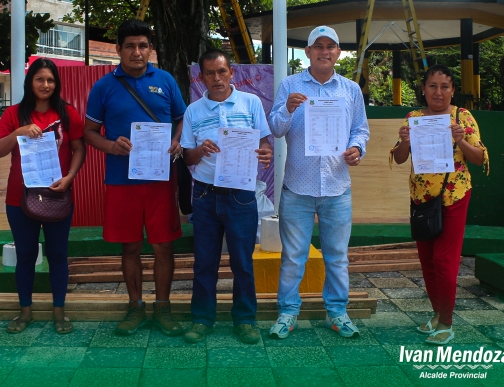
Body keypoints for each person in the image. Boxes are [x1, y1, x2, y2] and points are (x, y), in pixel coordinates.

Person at [84, 19, 186, 336]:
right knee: (129, 248)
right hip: (121, 182)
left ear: (150, 49)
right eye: (130, 46)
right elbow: (89, 133)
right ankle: (135, 307)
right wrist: (111, 146)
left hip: (160, 181)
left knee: (163, 247)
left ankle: (164, 308)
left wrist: (177, 141)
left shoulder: (166, 80)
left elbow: (183, 120)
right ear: (118, 50)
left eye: (143, 45)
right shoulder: (103, 86)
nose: (137, 52)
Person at [268, 26, 369, 339]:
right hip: (297, 187)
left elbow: (360, 130)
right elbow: (275, 128)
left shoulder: (350, 90)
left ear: (338, 52)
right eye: (318, 46)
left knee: (337, 257)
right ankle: (287, 312)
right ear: (308, 52)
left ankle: (337, 312)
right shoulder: (291, 85)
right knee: (292, 258)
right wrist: (287, 108)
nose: (324, 52)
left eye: (331, 46)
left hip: (337, 187)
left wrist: (357, 149)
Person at [390, 64, 488, 345]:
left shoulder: (462, 116)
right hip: (422, 199)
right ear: (423, 89)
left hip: (453, 195)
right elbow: (399, 158)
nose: (438, 92)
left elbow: (480, 158)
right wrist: (405, 142)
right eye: (432, 86)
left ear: (453, 90)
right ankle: (436, 313)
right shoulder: (415, 118)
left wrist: (460, 140)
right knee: (428, 261)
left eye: (445, 86)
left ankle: (446, 322)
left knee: (445, 261)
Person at [180, 49, 272, 344]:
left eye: (222, 71)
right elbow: (187, 158)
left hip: (242, 194)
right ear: (202, 76)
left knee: (242, 261)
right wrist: (200, 150)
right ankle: (202, 319)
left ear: (232, 73)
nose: (217, 78)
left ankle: (245, 320)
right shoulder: (193, 110)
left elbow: (265, 144)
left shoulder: (251, 102)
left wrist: (266, 154)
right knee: (204, 261)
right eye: (210, 73)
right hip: (205, 194)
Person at [0, 58, 86, 335]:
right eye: (39, 79)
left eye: (50, 80)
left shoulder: (68, 113)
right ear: (29, 82)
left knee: (58, 255)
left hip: (58, 193)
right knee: (26, 255)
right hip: (19, 198)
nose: (45, 85)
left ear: (56, 84)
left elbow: (79, 148)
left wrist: (70, 177)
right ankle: (25, 312)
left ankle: (59, 311)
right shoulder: (14, 114)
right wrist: (19, 132)